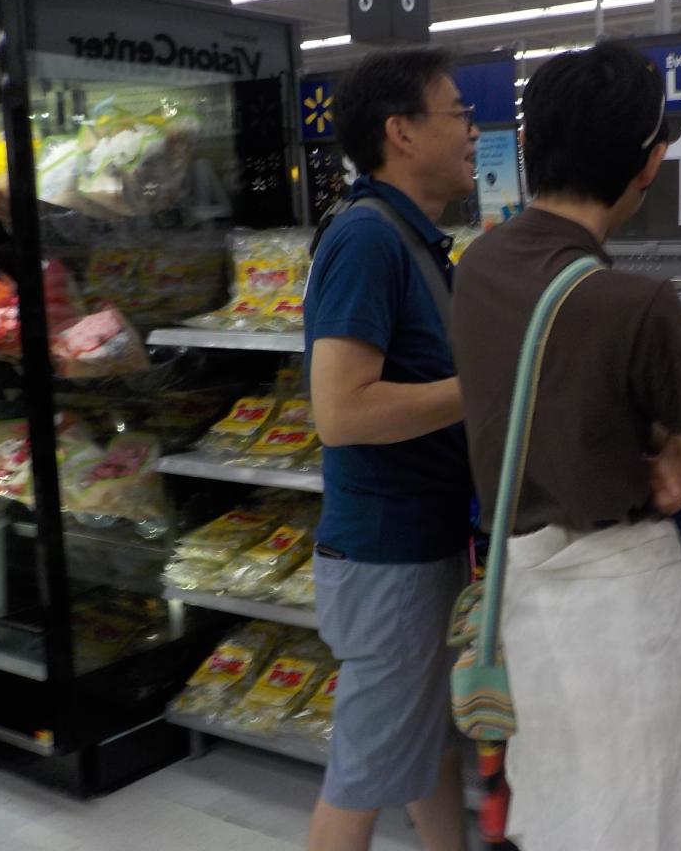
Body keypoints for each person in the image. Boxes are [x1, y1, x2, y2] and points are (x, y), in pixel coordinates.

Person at [450, 41, 681, 851]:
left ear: (530, 143)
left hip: (525, 604)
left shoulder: (476, 267)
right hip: (624, 621)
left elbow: (537, 406)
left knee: (560, 812)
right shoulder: (637, 305)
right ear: (650, 163)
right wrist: (667, 450)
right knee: (648, 818)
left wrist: (638, 441)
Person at [304, 48, 478, 851]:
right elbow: (341, 411)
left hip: (420, 549)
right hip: (388, 561)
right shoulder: (368, 239)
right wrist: (487, 387)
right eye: (458, 113)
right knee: (364, 774)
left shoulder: (412, 240)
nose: (473, 130)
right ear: (401, 132)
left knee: (428, 744)